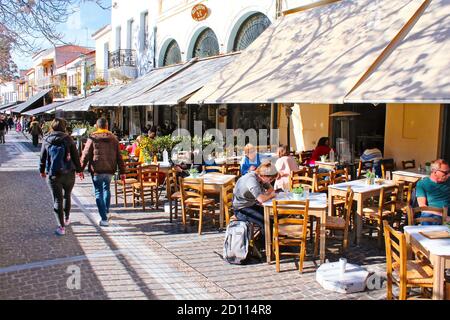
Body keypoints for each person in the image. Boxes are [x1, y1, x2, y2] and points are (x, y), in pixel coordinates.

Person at [39, 118, 83, 236]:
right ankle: (67, 218)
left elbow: (42, 158)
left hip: (53, 173)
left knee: (57, 199)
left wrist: (42, 171)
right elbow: (75, 157)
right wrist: (79, 170)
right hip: (69, 172)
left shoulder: (47, 139)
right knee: (67, 195)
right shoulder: (69, 139)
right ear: (64, 127)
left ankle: (61, 227)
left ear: (52, 126)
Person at [80, 118, 126, 227]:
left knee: (98, 192)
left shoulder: (93, 138)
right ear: (107, 126)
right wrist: (123, 171)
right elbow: (119, 156)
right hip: (110, 169)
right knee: (106, 189)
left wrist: (80, 169)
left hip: (97, 169)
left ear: (97, 126)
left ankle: (104, 219)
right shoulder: (114, 138)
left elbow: (85, 154)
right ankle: (106, 211)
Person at [233, 162, 277, 234]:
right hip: (241, 209)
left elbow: (271, 189)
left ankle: (268, 240)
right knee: (265, 222)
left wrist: (268, 193)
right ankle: (263, 244)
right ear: (263, 176)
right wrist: (271, 195)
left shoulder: (260, 177)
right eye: (271, 179)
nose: (271, 181)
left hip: (251, 205)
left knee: (271, 218)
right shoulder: (251, 180)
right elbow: (261, 199)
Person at [415, 159, 450, 225]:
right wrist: (443, 215)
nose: (448, 175)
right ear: (434, 172)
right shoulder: (422, 184)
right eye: (445, 173)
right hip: (433, 214)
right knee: (427, 217)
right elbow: (422, 207)